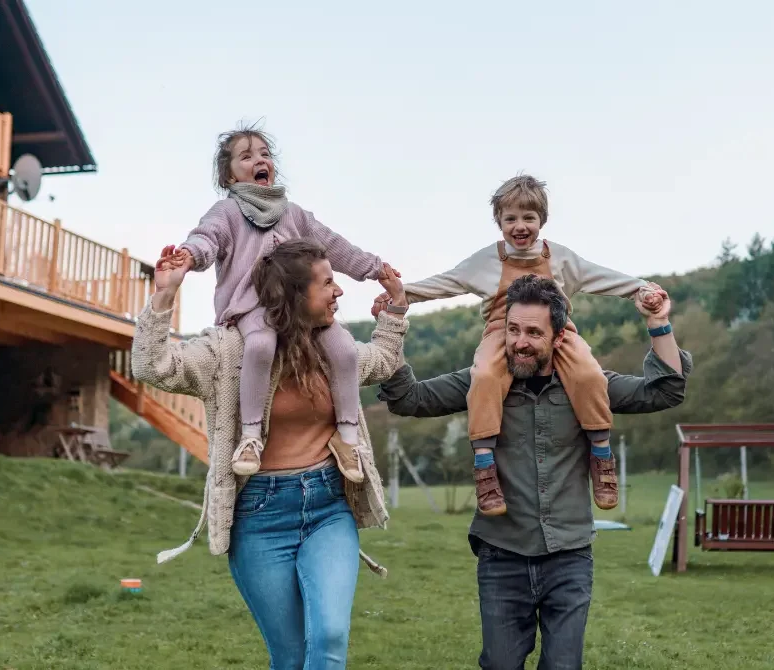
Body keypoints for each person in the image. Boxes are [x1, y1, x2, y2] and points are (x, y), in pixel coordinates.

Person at [378, 274, 691, 670]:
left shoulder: (589, 385)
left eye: (532, 332)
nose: (519, 341)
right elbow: (409, 399)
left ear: (559, 336)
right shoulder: (482, 383)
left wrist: (658, 322)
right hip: (502, 554)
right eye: (512, 329)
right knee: (500, 665)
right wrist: (393, 324)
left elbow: (665, 391)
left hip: (569, 556)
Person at [132, 238, 410, 669]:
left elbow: (383, 360)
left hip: (328, 507)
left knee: (331, 638)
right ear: (294, 294)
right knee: (290, 654)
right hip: (260, 517)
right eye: (327, 283)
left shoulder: (335, 351)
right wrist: (165, 294)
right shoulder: (229, 351)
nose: (338, 291)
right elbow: (154, 367)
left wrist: (394, 311)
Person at [372, 174, 662, 516]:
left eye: (529, 218)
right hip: (502, 332)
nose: (520, 226)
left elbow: (603, 276)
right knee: (484, 378)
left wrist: (640, 288)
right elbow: (445, 283)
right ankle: (484, 465)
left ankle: (601, 454)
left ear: (542, 221)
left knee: (589, 374)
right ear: (499, 222)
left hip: (559, 331)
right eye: (511, 218)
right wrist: (401, 295)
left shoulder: (562, 259)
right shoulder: (486, 261)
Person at [169, 124, 401, 481]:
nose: (259, 160)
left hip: (304, 310)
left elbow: (331, 244)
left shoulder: (293, 214)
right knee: (261, 345)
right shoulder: (227, 212)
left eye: (264, 154)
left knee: (345, 352)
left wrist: (372, 267)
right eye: (246, 156)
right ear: (229, 176)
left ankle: (347, 436)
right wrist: (189, 255)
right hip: (254, 308)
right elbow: (207, 237)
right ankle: (250, 436)